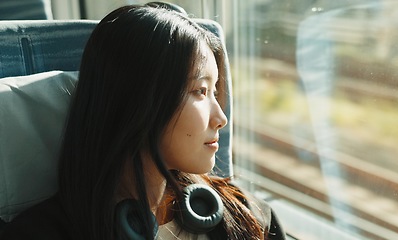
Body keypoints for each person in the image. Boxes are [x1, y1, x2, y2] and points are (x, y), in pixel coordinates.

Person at [0, 2, 284, 240]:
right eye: (200, 91)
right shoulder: (39, 233)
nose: (221, 118)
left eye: (215, 91)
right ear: (138, 101)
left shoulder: (247, 215)